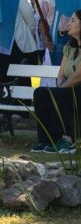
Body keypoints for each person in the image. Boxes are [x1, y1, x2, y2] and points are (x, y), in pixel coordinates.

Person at [31, 9, 81, 154]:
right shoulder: (69, 48)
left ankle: (68, 141)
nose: (69, 24)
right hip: (68, 89)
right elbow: (61, 74)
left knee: (60, 95)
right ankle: (46, 139)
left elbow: (78, 76)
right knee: (41, 93)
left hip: (77, 89)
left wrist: (62, 89)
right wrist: (60, 85)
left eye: (73, 20)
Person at [0, 0, 39, 86]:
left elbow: (31, 21)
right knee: (4, 77)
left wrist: (26, 37)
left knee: (22, 79)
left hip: (18, 45)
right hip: (1, 45)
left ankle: (23, 100)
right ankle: (6, 100)